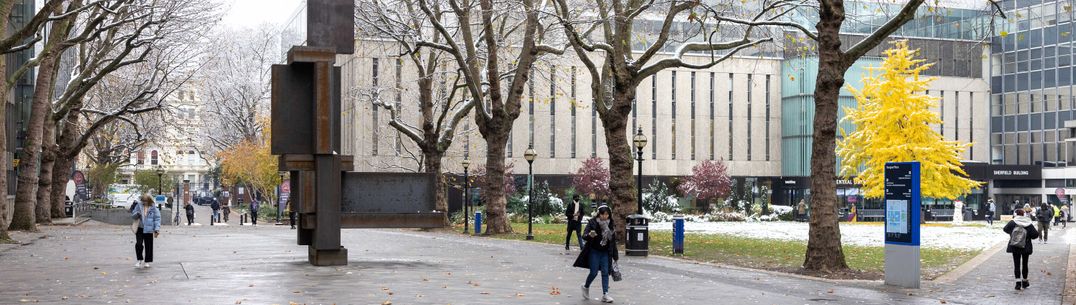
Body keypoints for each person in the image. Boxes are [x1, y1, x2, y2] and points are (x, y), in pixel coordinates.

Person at [573, 205, 618, 303]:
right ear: (599, 214)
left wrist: (615, 255)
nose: (604, 216)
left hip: (606, 252)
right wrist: (589, 235)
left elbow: (613, 241)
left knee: (605, 272)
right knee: (593, 272)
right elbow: (584, 235)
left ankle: (605, 294)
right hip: (594, 251)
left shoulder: (611, 224)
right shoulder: (593, 222)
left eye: (607, 214)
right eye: (602, 214)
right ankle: (585, 286)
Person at [1003, 209, 1040, 290]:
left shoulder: (1013, 222)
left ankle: (1018, 283)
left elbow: (1005, 229)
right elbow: (1035, 235)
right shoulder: (1028, 223)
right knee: (1025, 264)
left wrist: (1012, 234)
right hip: (1026, 247)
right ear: (1024, 214)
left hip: (1015, 245)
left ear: (1016, 214)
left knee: (1016, 264)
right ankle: (1025, 281)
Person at [131, 195, 161, 269]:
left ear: (149, 201)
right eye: (143, 201)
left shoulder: (154, 208)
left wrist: (157, 229)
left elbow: (157, 219)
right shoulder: (139, 206)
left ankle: (147, 261)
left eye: (146, 201)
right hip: (140, 228)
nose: (144, 202)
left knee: (149, 246)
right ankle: (139, 259)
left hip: (149, 229)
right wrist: (137, 214)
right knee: (138, 244)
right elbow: (133, 215)